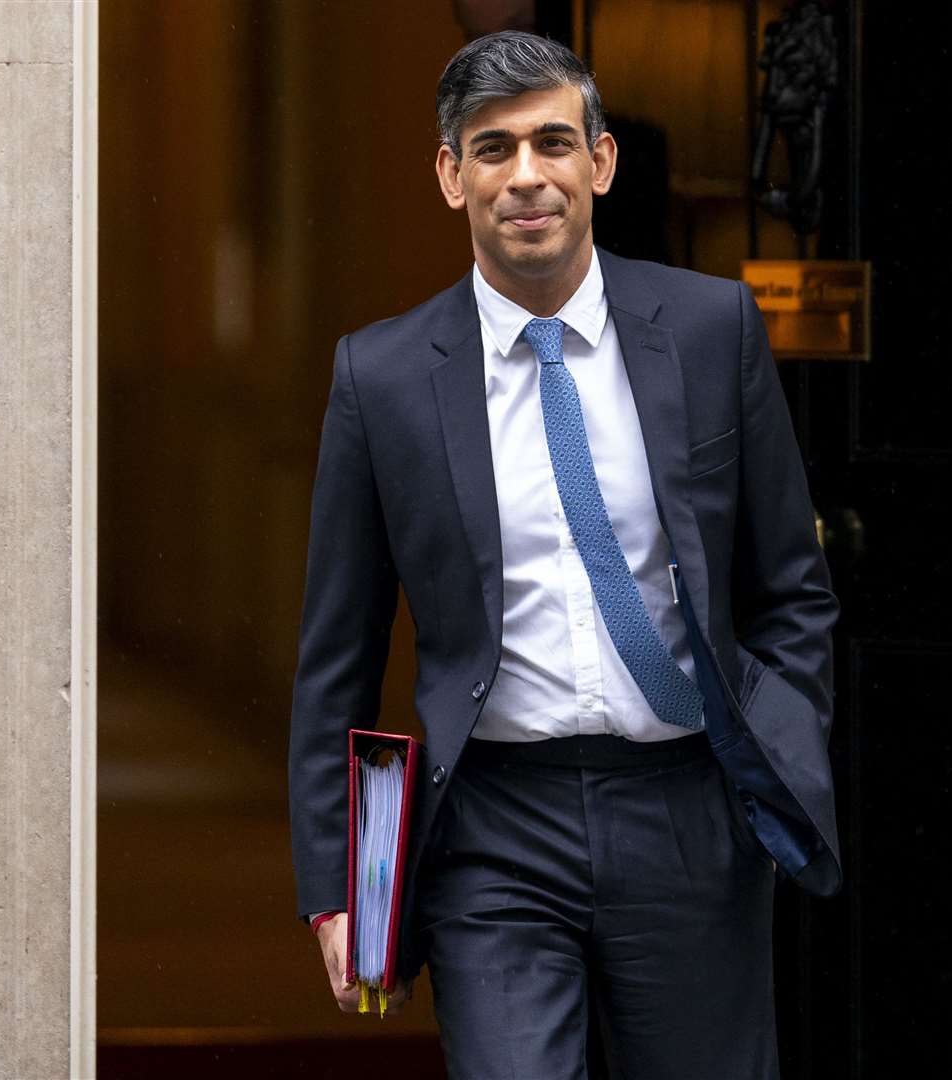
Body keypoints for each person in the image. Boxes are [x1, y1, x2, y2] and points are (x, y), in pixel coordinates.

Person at [288, 30, 841, 1079]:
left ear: (603, 161)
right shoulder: (384, 378)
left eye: (552, 141)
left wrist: (779, 751)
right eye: (493, 149)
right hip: (493, 826)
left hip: (689, 809)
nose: (527, 176)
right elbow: (338, 660)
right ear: (452, 176)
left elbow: (791, 590)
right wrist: (342, 888)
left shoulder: (712, 328)